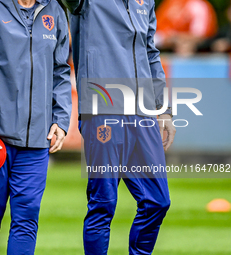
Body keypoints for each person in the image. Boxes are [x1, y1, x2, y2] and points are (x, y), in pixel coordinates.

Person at [0, 0, 72, 254]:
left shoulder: (55, 11)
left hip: (36, 142)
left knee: (27, 218)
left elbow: (61, 71)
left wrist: (61, 120)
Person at [61, 0, 176, 254]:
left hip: (143, 111)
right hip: (102, 108)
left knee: (158, 201)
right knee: (104, 203)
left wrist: (164, 109)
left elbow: (150, 52)